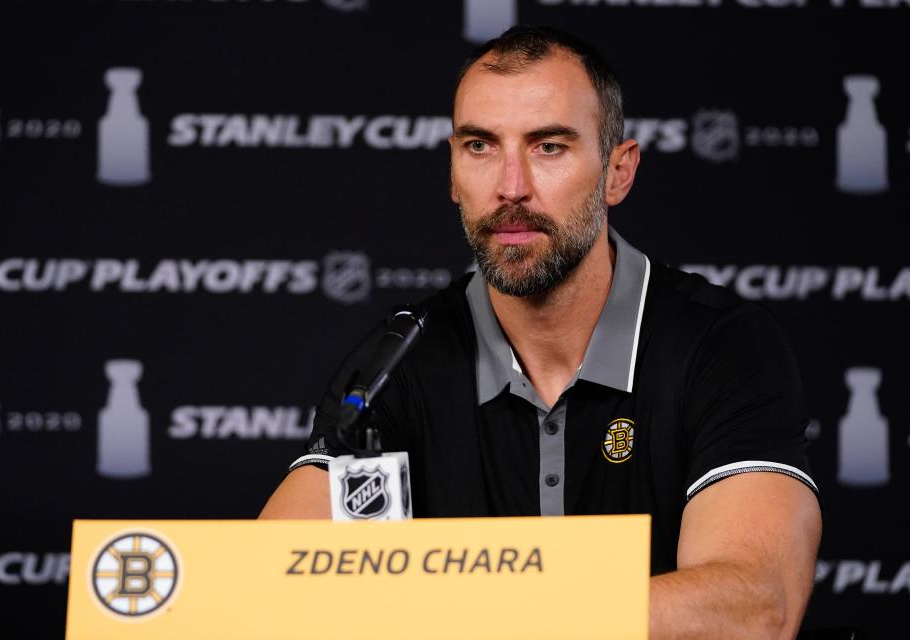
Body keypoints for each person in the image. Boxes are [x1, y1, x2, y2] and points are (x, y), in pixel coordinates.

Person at [260, 25, 822, 640]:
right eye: (479, 146)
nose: (510, 186)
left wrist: (485, 614)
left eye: (548, 147)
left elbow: (753, 608)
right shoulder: (399, 362)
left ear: (618, 172)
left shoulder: (723, 347)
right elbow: (271, 587)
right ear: (452, 171)